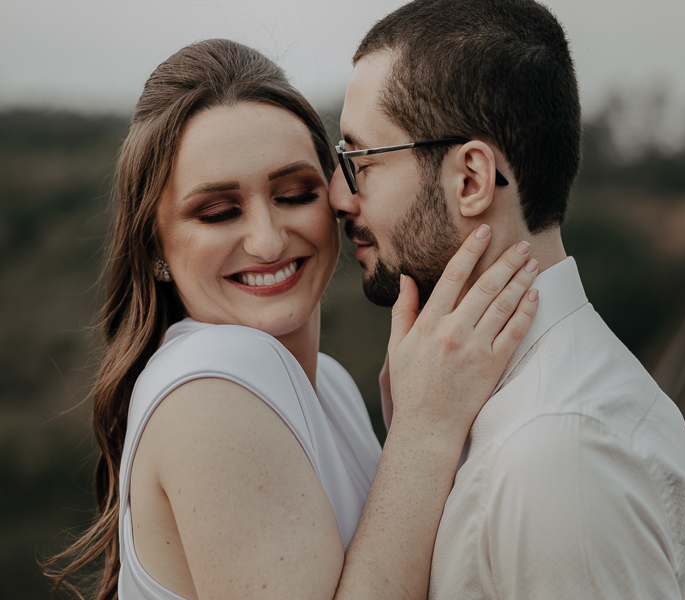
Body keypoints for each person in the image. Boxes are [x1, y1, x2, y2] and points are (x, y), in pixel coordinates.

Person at [45, 39, 542, 600]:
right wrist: (426, 430)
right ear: (154, 245)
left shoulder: (327, 383)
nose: (268, 239)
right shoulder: (211, 392)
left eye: (294, 194)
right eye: (217, 212)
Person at [329, 0, 685, 598]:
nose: (339, 195)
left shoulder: (556, 454)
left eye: (359, 161)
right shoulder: (503, 408)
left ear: (470, 180)